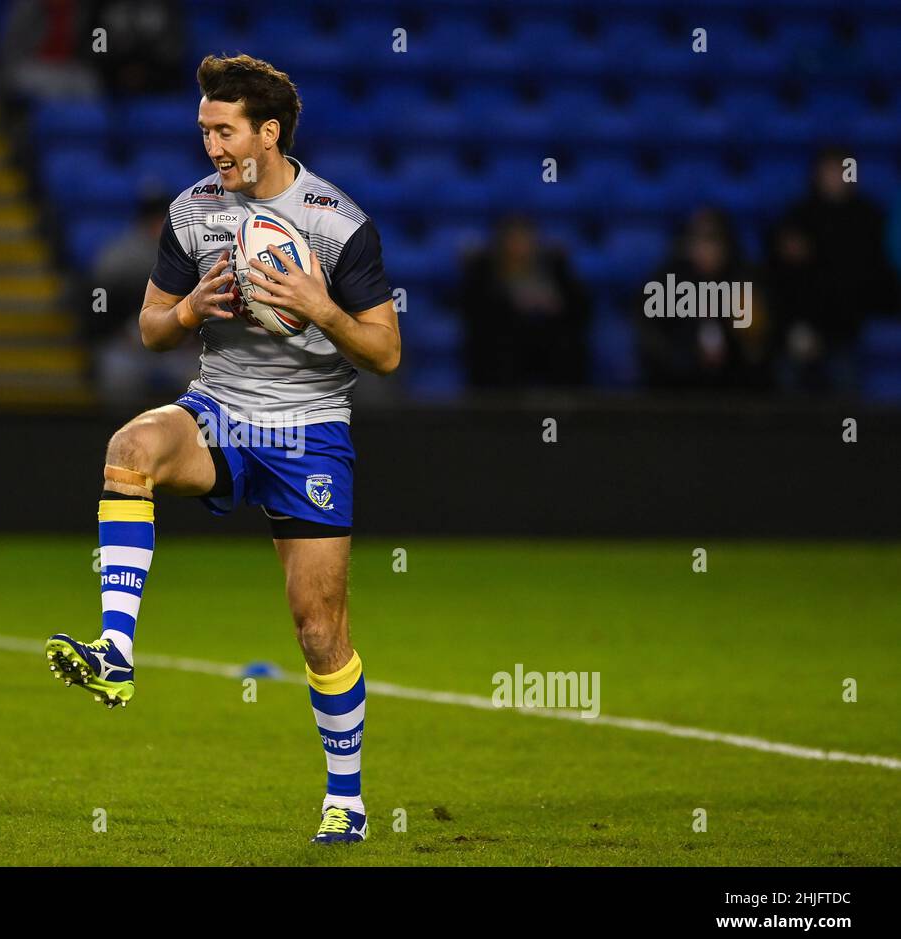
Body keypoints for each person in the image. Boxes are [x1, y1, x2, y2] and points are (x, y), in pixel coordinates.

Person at [44, 55, 398, 844]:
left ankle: (346, 799)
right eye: (203, 129)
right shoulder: (192, 211)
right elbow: (149, 327)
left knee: (318, 631)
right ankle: (116, 649)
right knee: (130, 445)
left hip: (308, 434)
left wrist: (321, 308)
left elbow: (385, 352)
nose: (210, 145)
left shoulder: (338, 223)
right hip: (221, 412)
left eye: (223, 130)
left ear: (267, 133)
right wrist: (191, 310)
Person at [767, 148, 894, 393]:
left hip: (848, 327)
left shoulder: (869, 218)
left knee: (846, 384)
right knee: (788, 377)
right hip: (802, 325)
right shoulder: (799, 218)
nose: (836, 177)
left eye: (843, 171)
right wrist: (799, 328)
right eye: (830, 171)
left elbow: (876, 278)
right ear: (817, 174)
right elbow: (785, 279)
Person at [86, 188, 198, 407]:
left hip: (180, 347)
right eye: (154, 219)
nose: (159, 224)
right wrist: (113, 332)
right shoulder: (119, 257)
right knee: (117, 375)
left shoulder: (193, 251)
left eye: (164, 218)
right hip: (130, 346)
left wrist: (196, 338)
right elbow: (96, 299)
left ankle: (193, 438)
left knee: (201, 375)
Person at [637, 207, 770, 389]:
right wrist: (681, 356)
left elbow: (755, 341)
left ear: (727, 246)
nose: (705, 250)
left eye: (713, 242)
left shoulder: (742, 279)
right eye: (698, 242)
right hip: (679, 378)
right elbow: (650, 331)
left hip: (734, 378)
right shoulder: (669, 280)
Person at [460, 213, 590, 387]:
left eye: (524, 239)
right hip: (505, 335)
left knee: (567, 345)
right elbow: (475, 309)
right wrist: (513, 304)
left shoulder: (553, 268)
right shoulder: (486, 270)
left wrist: (552, 304)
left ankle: (565, 403)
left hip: (548, 333)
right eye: (513, 240)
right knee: (496, 348)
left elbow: (579, 306)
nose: (519, 246)